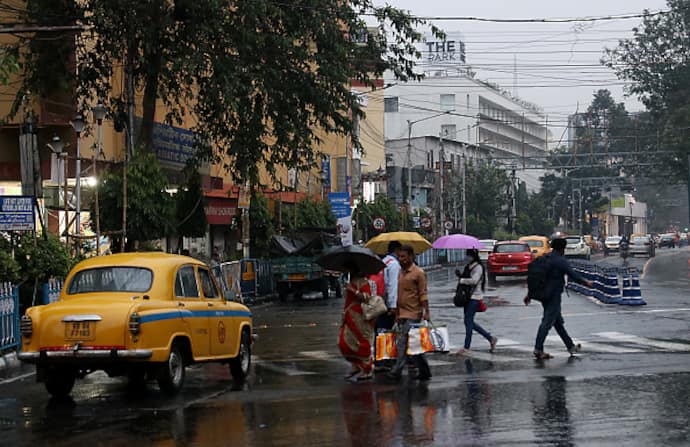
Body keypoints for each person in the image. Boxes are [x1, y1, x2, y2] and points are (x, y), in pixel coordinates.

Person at [524, 238, 593, 360]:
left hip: (543, 295)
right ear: (562, 248)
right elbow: (573, 275)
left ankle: (570, 346)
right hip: (553, 296)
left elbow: (538, 278)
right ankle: (538, 349)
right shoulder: (560, 261)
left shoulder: (545, 258)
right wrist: (586, 282)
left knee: (557, 322)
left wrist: (529, 294)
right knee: (547, 322)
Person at [387, 245, 432, 382]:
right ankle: (425, 371)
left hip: (414, 313)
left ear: (411, 256)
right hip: (402, 313)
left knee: (403, 343)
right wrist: (397, 313)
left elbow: (423, 294)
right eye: (399, 256)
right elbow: (400, 293)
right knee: (414, 344)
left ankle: (397, 370)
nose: (401, 259)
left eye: (404, 257)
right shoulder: (401, 272)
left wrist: (427, 312)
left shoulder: (418, 273)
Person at [455, 248, 497, 356]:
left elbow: (474, 281)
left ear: (473, 256)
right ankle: (490, 338)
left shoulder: (478, 267)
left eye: (469, 255)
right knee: (469, 322)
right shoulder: (468, 267)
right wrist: (460, 275)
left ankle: (466, 347)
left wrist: (462, 280)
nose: (467, 258)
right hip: (468, 298)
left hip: (475, 297)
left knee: (468, 322)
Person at [338, 262, 375, 381]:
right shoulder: (350, 281)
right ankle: (355, 366)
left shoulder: (363, 282)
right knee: (345, 342)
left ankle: (367, 369)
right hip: (349, 316)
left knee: (361, 343)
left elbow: (367, 298)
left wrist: (353, 290)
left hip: (360, 317)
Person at [374, 241, 402, 371]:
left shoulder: (383, 261)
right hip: (388, 304)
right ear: (397, 250)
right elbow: (392, 286)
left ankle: (379, 359)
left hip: (379, 302)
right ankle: (387, 360)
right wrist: (393, 306)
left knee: (381, 331)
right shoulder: (394, 265)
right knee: (389, 331)